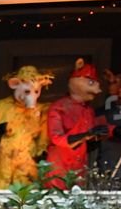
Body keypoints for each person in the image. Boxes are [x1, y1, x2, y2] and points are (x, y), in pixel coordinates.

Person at [46, 59, 110, 188]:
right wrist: (86, 135)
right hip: (60, 165)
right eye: (91, 82)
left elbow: (90, 140)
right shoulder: (59, 107)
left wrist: (96, 137)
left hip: (79, 165)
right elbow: (57, 138)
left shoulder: (88, 110)